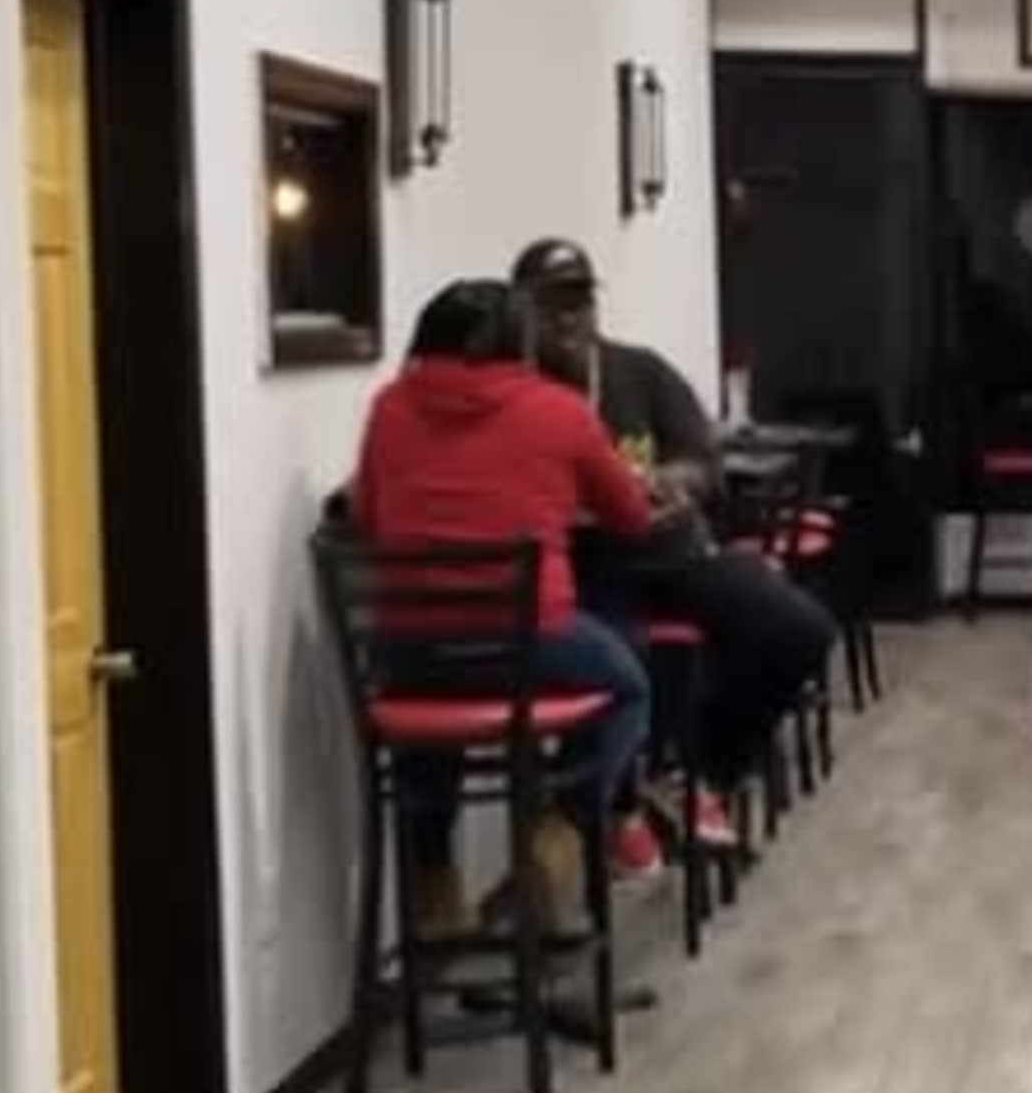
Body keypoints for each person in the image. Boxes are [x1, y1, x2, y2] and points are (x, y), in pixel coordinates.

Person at [512, 238, 835, 851]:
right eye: (550, 305)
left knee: (799, 630)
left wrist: (668, 480)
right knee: (619, 665)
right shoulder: (515, 396)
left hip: (672, 554)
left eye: (579, 302)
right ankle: (600, 816)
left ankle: (699, 773)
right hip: (585, 570)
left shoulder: (640, 372)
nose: (567, 319)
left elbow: (703, 461)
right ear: (520, 313)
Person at [352, 278, 654, 933]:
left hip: (409, 649)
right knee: (627, 686)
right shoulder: (560, 409)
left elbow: (368, 517)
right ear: (521, 343)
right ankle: (555, 840)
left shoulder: (388, 407)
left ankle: (434, 891)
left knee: (430, 713)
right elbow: (629, 516)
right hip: (529, 642)